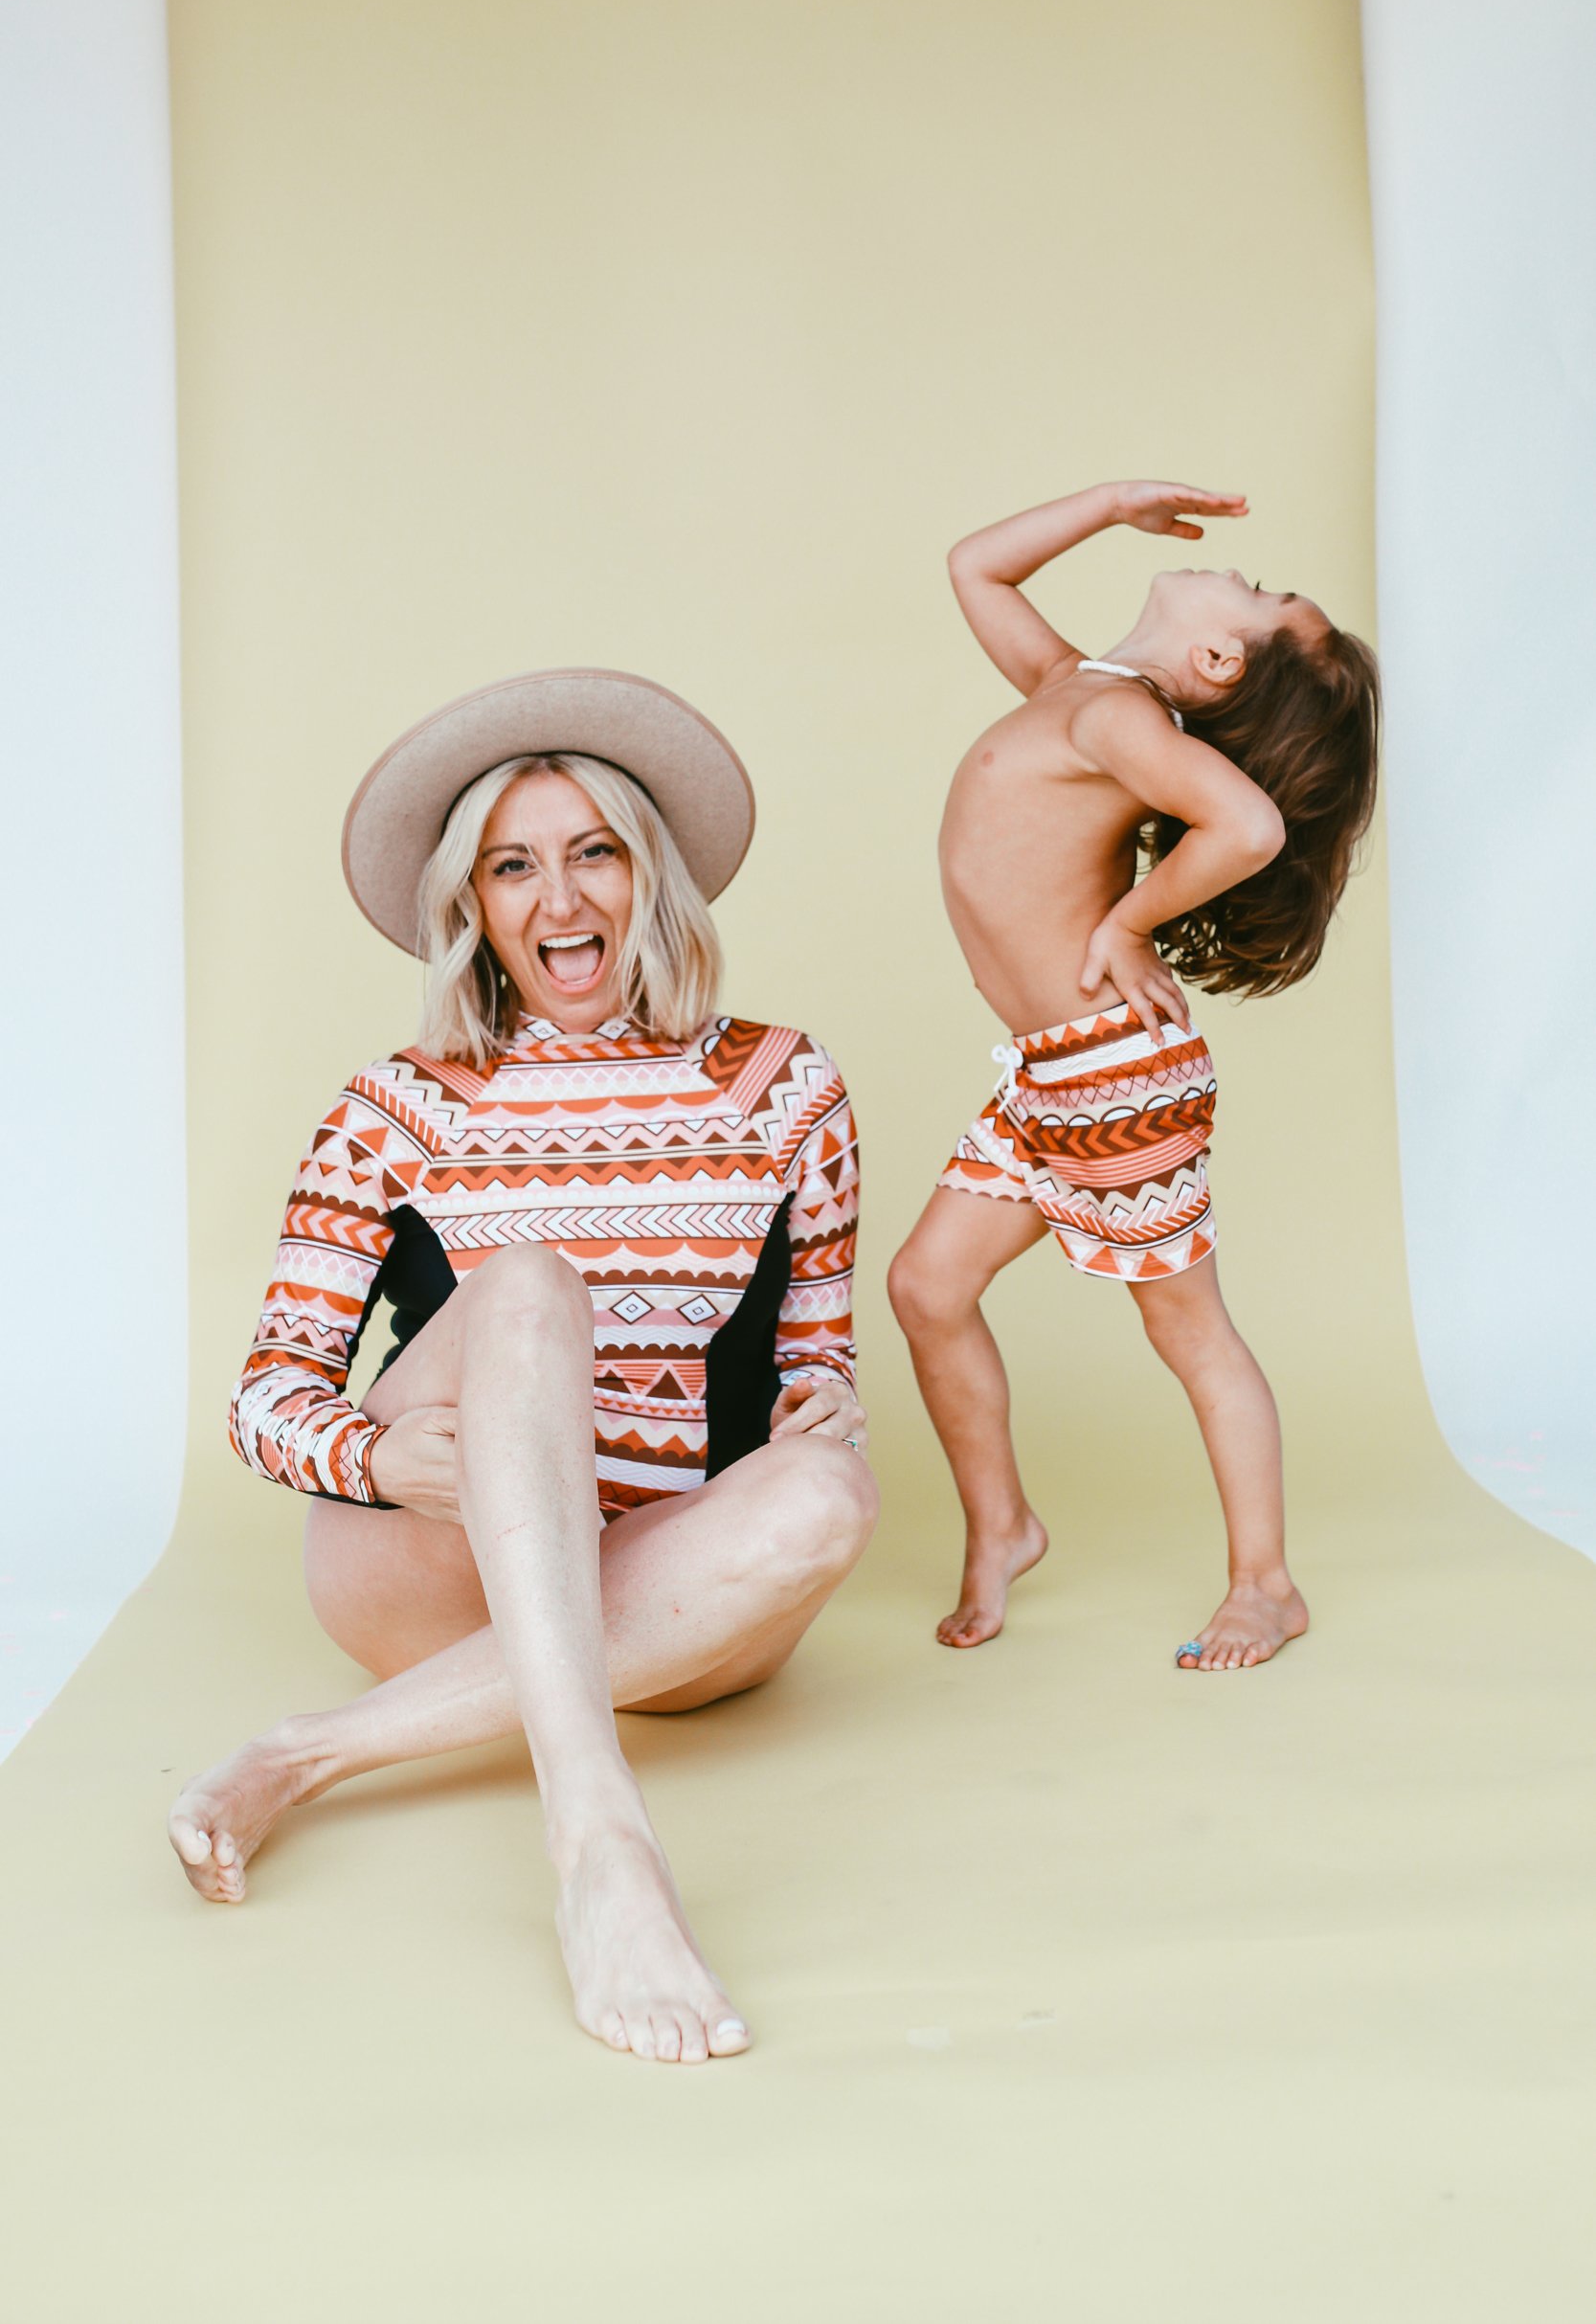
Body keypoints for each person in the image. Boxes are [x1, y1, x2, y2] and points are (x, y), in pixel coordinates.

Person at [168, 667, 875, 2064]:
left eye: (592, 853)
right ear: (472, 907)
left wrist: (822, 1410)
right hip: (426, 1580)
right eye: (513, 866)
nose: (559, 902)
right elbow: (266, 1397)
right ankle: (598, 1842)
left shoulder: (788, 1088)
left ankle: (306, 1752)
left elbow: (819, 1363)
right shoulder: (394, 1106)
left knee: (829, 1503)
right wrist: (369, 1453)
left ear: (647, 873)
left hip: (681, 1595)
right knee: (533, 1281)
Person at [888, 481, 1379, 1666]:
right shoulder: (1079, 693)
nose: (1242, 572)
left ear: (1215, 656)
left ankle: (1264, 1584)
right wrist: (1111, 505)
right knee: (925, 1287)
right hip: (1049, 1076)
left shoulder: (1118, 725)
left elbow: (1250, 830)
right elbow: (973, 567)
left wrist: (1127, 923)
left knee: (1190, 1334)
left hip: (1112, 1079)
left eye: (1260, 596)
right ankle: (1003, 1521)